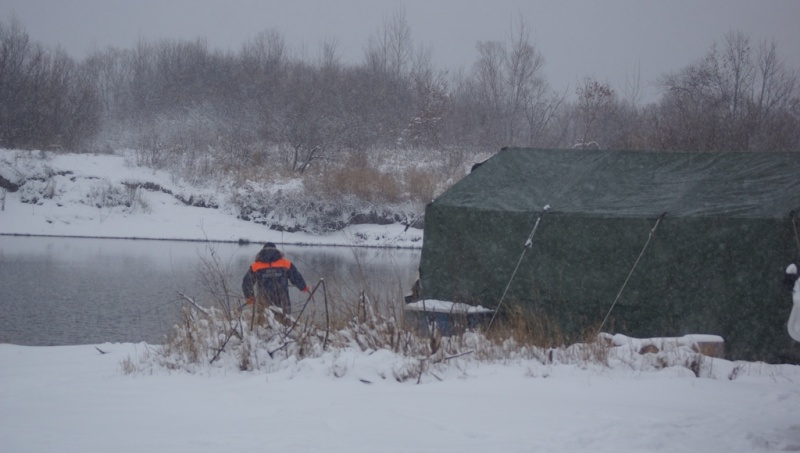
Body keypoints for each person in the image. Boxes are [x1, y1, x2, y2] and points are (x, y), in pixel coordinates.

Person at [242, 242, 309, 315]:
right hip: (283, 300)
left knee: (264, 322)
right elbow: (296, 277)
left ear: (262, 252)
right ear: (276, 251)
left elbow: (247, 282)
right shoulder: (286, 264)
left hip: (264, 301)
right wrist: (303, 287)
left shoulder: (256, 266)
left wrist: (249, 296)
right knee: (285, 321)